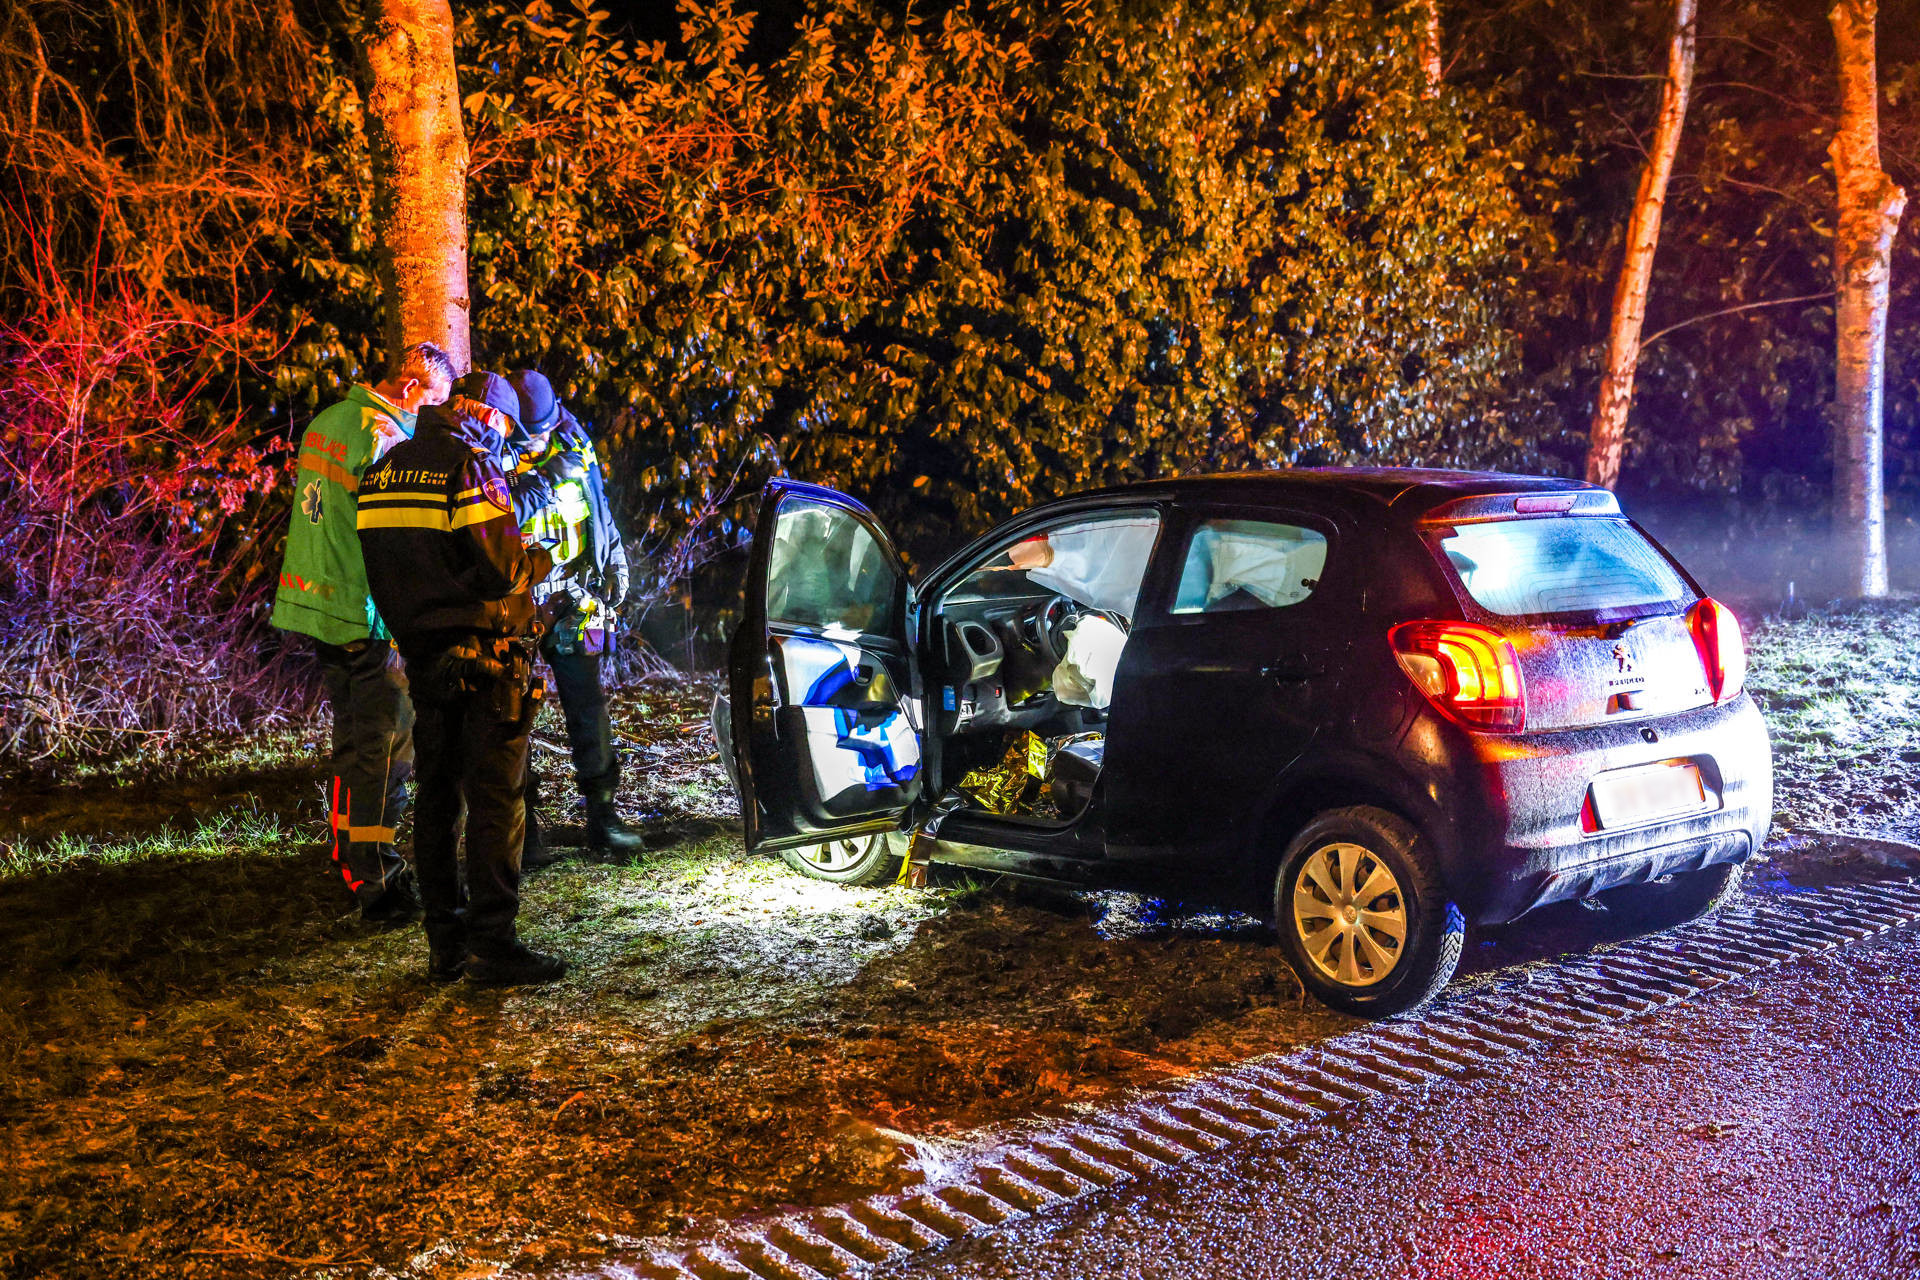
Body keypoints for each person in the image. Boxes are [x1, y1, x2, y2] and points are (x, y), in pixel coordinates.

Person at [356, 380, 566, 986]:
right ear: (489, 417)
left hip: (423, 656)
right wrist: (542, 558)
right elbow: (501, 572)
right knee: (496, 800)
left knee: (437, 799)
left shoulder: (384, 470)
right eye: (505, 429)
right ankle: (493, 945)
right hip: (487, 657)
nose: (505, 444)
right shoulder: (470, 468)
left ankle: (444, 944)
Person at [270, 342, 454, 923]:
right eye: (435, 401)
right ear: (410, 387)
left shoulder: (329, 420)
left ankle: (348, 858)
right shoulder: (385, 438)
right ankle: (377, 882)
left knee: (351, 743)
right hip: (367, 614)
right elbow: (395, 536)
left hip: (318, 609)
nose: (433, 414)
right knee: (384, 752)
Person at [507, 369, 644, 857]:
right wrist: (543, 479)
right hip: (517, 603)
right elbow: (495, 512)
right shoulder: (489, 449)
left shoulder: (573, 438)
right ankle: (522, 832)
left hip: (575, 602)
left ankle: (603, 819)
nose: (541, 438)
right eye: (532, 434)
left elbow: (597, 508)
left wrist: (616, 558)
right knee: (511, 713)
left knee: (589, 707)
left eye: (545, 427)